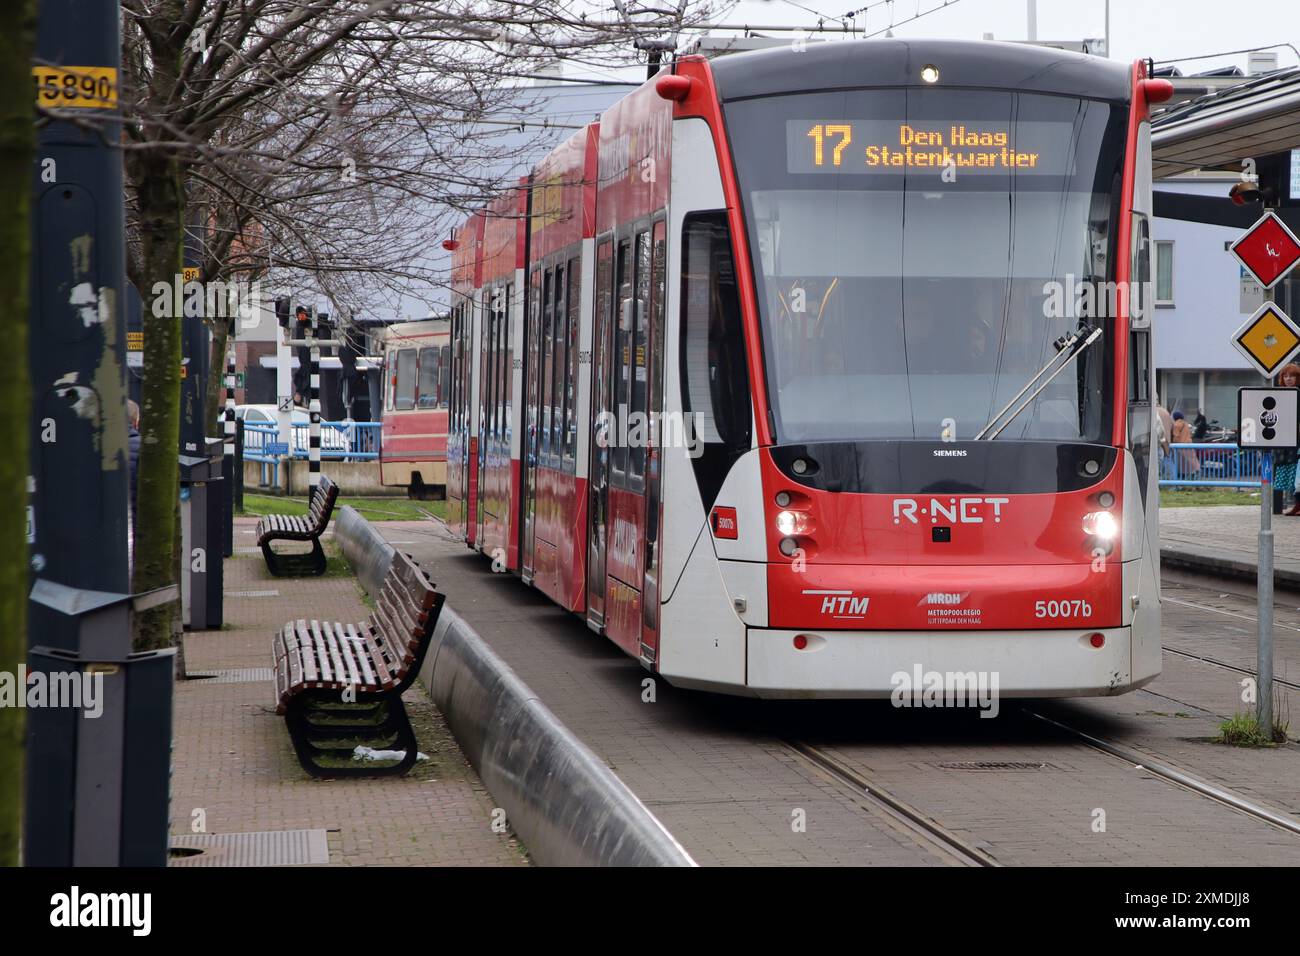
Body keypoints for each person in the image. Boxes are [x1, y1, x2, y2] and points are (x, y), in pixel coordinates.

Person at [1278, 364, 1300, 515]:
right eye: (1285, 376)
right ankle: (1297, 504)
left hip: (1297, 438)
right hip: (1287, 438)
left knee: (1298, 474)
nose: (1288, 379)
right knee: (1292, 472)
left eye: (1292, 376)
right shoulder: (1281, 394)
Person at [1171, 410, 1198, 477]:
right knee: (1190, 461)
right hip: (1189, 444)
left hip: (1181, 446)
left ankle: (1182, 477)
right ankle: (1193, 475)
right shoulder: (1186, 424)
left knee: (1181, 463)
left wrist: (1172, 443)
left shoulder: (1176, 425)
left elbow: (1176, 437)